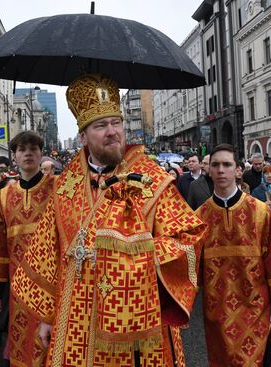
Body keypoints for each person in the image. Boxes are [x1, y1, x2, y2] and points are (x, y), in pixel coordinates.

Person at [11, 73, 206, 366]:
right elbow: (47, 254)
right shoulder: (65, 186)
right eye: (101, 126)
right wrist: (47, 318)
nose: (112, 131)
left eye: (116, 123)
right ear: (83, 137)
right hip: (75, 318)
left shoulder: (152, 179)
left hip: (137, 319)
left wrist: (141, 259)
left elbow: (187, 239)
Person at [196, 144, 271, 366]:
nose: (221, 170)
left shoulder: (260, 212)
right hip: (215, 313)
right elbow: (191, 269)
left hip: (254, 310)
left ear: (237, 170)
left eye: (227, 164)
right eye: (215, 165)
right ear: (209, 171)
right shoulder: (200, 217)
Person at [0, 131, 55, 366]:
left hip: (55, 284)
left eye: (33, 148)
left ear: (41, 154)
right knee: (24, 345)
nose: (28, 153)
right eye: (21, 149)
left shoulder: (59, 189)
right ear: (14, 156)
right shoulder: (4, 197)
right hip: (18, 286)